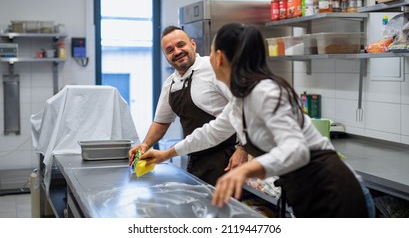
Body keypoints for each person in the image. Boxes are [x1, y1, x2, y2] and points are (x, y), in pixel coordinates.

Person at [139, 22, 374, 218]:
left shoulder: (266, 91)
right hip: (306, 191)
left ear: (219, 58)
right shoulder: (241, 99)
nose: (207, 57)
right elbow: (210, 132)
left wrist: (244, 170)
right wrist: (166, 154)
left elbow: (297, 150)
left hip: (333, 189)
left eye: (210, 51)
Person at [128, 25, 248, 186]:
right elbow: (161, 122)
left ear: (193, 44)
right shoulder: (170, 84)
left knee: (224, 209)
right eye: (170, 50)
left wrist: (243, 149)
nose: (177, 52)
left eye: (181, 45)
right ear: (166, 56)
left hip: (227, 157)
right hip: (195, 157)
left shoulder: (213, 68)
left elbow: (244, 105)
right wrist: (145, 144)